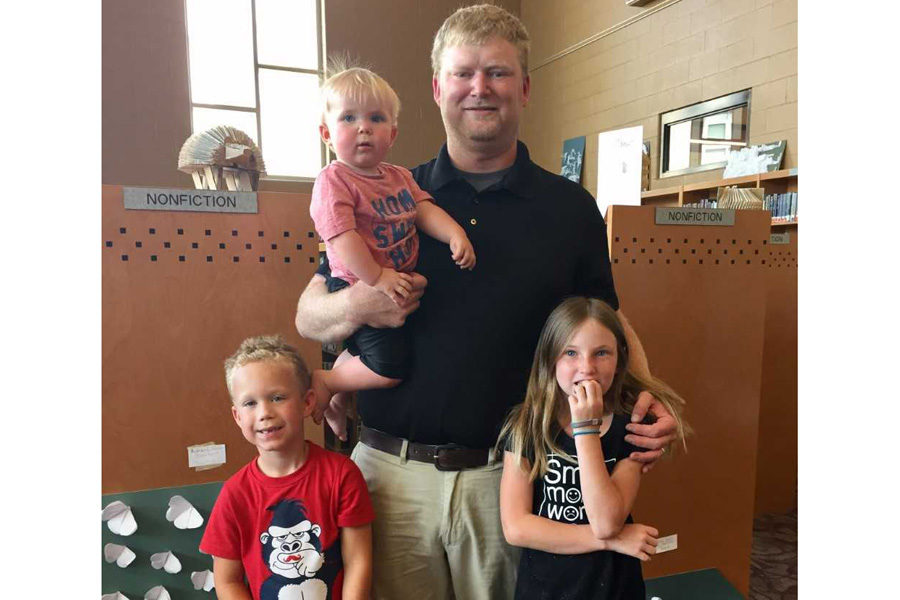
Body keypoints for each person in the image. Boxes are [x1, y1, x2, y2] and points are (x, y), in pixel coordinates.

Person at [294, 5, 679, 599]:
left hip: (512, 478)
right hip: (390, 477)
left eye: (498, 73)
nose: (480, 88)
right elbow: (309, 311)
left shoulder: (569, 208)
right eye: (463, 73)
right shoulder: (386, 192)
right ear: (437, 89)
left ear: (523, 87)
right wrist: (361, 307)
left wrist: (650, 397)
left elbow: (608, 320)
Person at [309, 66, 475, 418]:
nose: (364, 127)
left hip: (395, 286)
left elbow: (423, 210)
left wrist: (454, 234)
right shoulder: (333, 180)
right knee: (388, 368)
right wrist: (377, 277)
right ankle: (329, 382)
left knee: (404, 346)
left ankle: (343, 374)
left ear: (393, 133)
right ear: (326, 133)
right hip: (359, 281)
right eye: (349, 118)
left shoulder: (399, 177)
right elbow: (342, 237)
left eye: (376, 118)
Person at [498, 297, 689, 599]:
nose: (586, 368)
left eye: (601, 353)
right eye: (570, 353)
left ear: (619, 360)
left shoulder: (631, 427)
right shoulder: (527, 425)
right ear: (550, 359)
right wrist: (612, 541)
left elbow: (606, 521)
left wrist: (585, 430)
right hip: (547, 588)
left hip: (611, 586)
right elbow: (516, 527)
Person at [200, 335, 374, 600]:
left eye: (277, 397)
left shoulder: (341, 475)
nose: (264, 412)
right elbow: (227, 581)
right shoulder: (235, 494)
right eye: (250, 403)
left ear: (307, 402)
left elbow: (358, 562)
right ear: (237, 416)